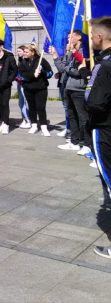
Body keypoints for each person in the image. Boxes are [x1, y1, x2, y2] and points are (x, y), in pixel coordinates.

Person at [85, 17, 111, 260]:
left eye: (93, 34)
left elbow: (94, 103)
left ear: (101, 37)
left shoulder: (103, 66)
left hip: (106, 131)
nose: (91, 38)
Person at [51, 32, 91, 153]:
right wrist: (55, 57)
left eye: (71, 37)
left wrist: (68, 69)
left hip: (79, 89)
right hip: (69, 87)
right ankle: (75, 141)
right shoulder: (69, 52)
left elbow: (80, 71)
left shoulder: (85, 52)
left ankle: (86, 143)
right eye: (68, 38)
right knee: (72, 116)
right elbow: (62, 68)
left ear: (79, 37)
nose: (68, 39)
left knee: (82, 116)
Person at [18, 43, 52, 136]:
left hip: (41, 88)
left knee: (41, 108)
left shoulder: (41, 61)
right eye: (24, 52)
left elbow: (50, 73)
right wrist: (33, 75)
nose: (24, 53)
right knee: (32, 107)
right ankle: (33, 126)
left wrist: (42, 72)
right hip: (28, 88)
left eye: (26, 52)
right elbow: (21, 76)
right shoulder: (24, 62)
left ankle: (44, 127)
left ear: (32, 52)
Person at [0, 39, 18, 135]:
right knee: (0, 104)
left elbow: (14, 70)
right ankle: (2, 122)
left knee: (5, 104)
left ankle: (6, 124)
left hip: (5, 86)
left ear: (2, 46)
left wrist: (9, 80)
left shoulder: (9, 57)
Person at [15, 46, 31, 128]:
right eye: (17, 51)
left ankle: (28, 120)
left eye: (20, 51)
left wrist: (20, 77)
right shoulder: (20, 60)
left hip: (23, 84)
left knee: (22, 102)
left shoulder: (26, 61)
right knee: (20, 102)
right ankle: (24, 120)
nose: (19, 53)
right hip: (19, 82)